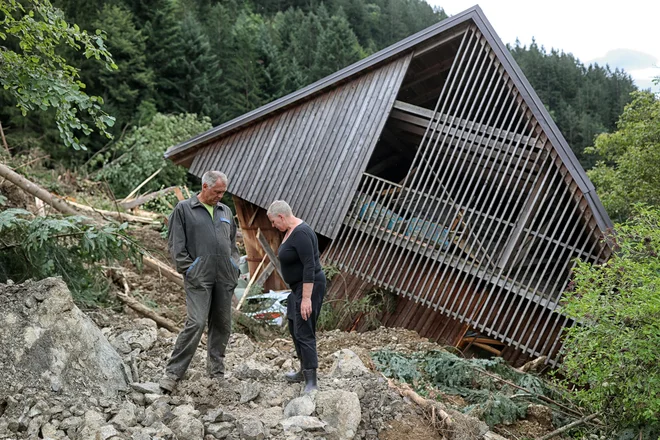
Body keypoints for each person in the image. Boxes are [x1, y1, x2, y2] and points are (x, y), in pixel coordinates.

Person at [159, 171, 240, 393]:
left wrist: (234, 265)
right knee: (196, 322)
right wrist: (190, 269)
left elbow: (232, 244)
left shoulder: (225, 211)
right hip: (199, 277)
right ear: (205, 186)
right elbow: (176, 245)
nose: (221, 196)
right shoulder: (184, 209)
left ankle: (216, 372)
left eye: (223, 192)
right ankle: (173, 374)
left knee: (222, 325)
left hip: (224, 276)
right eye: (217, 192)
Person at [267, 200, 326, 393]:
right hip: (297, 288)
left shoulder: (301, 233)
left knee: (304, 329)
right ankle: (303, 370)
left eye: (274, 222)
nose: (273, 226)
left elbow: (309, 265)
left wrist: (307, 298)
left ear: (281, 216)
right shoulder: (291, 231)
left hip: (308, 287)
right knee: (294, 327)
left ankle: (311, 379)